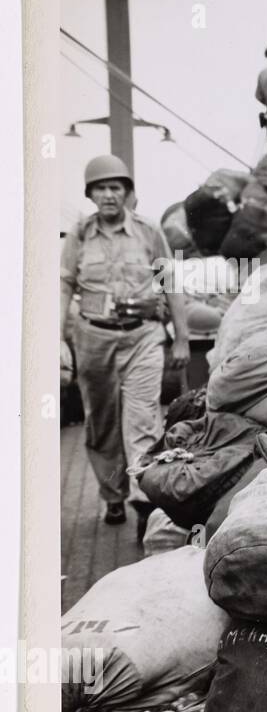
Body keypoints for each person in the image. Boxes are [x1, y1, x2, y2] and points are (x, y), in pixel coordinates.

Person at [60, 155, 189, 533]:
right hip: (93, 337)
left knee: (143, 419)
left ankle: (144, 499)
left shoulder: (149, 232)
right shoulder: (80, 234)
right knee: (100, 423)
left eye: (116, 187)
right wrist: (58, 341)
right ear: (90, 194)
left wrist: (181, 337)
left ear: (128, 193)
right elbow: (65, 285)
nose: (108, 195)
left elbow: (171, 282)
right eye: (100, 188)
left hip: (142, 335)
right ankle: (112, 494)